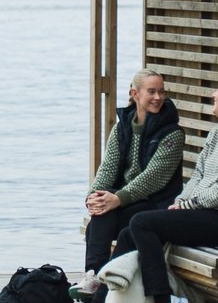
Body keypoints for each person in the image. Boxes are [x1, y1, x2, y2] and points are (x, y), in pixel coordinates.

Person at [74, 72, 218, 303]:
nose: (214, 94)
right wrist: (181, 203)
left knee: (142, 223)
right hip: (204, 213)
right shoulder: (217, 133)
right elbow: (199, 177)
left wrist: (190, 203)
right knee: (133, 230)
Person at [77, 69, 184, 284]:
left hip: (156, 204)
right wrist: (93, 197)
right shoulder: (121, 128)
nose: (158, 97)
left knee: (98, 224)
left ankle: (95, 280)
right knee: (100, 212)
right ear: (135, 94)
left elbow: (154, 178)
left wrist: (117, 199)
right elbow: (107, 168)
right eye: (151, 92)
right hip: (127, 202)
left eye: (161, 92)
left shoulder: (172, 132)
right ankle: (95, 279)